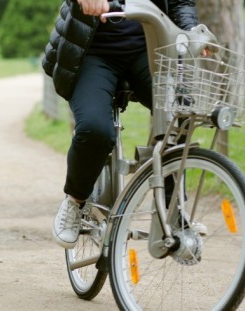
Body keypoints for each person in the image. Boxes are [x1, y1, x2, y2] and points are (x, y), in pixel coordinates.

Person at [42, 0, 201, 248]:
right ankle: (75, 201)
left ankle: (173, 212)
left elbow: (180, 2)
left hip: (149, 51)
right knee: (95, 130)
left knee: (181, 114)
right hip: (92, 52)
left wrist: (192, 29)